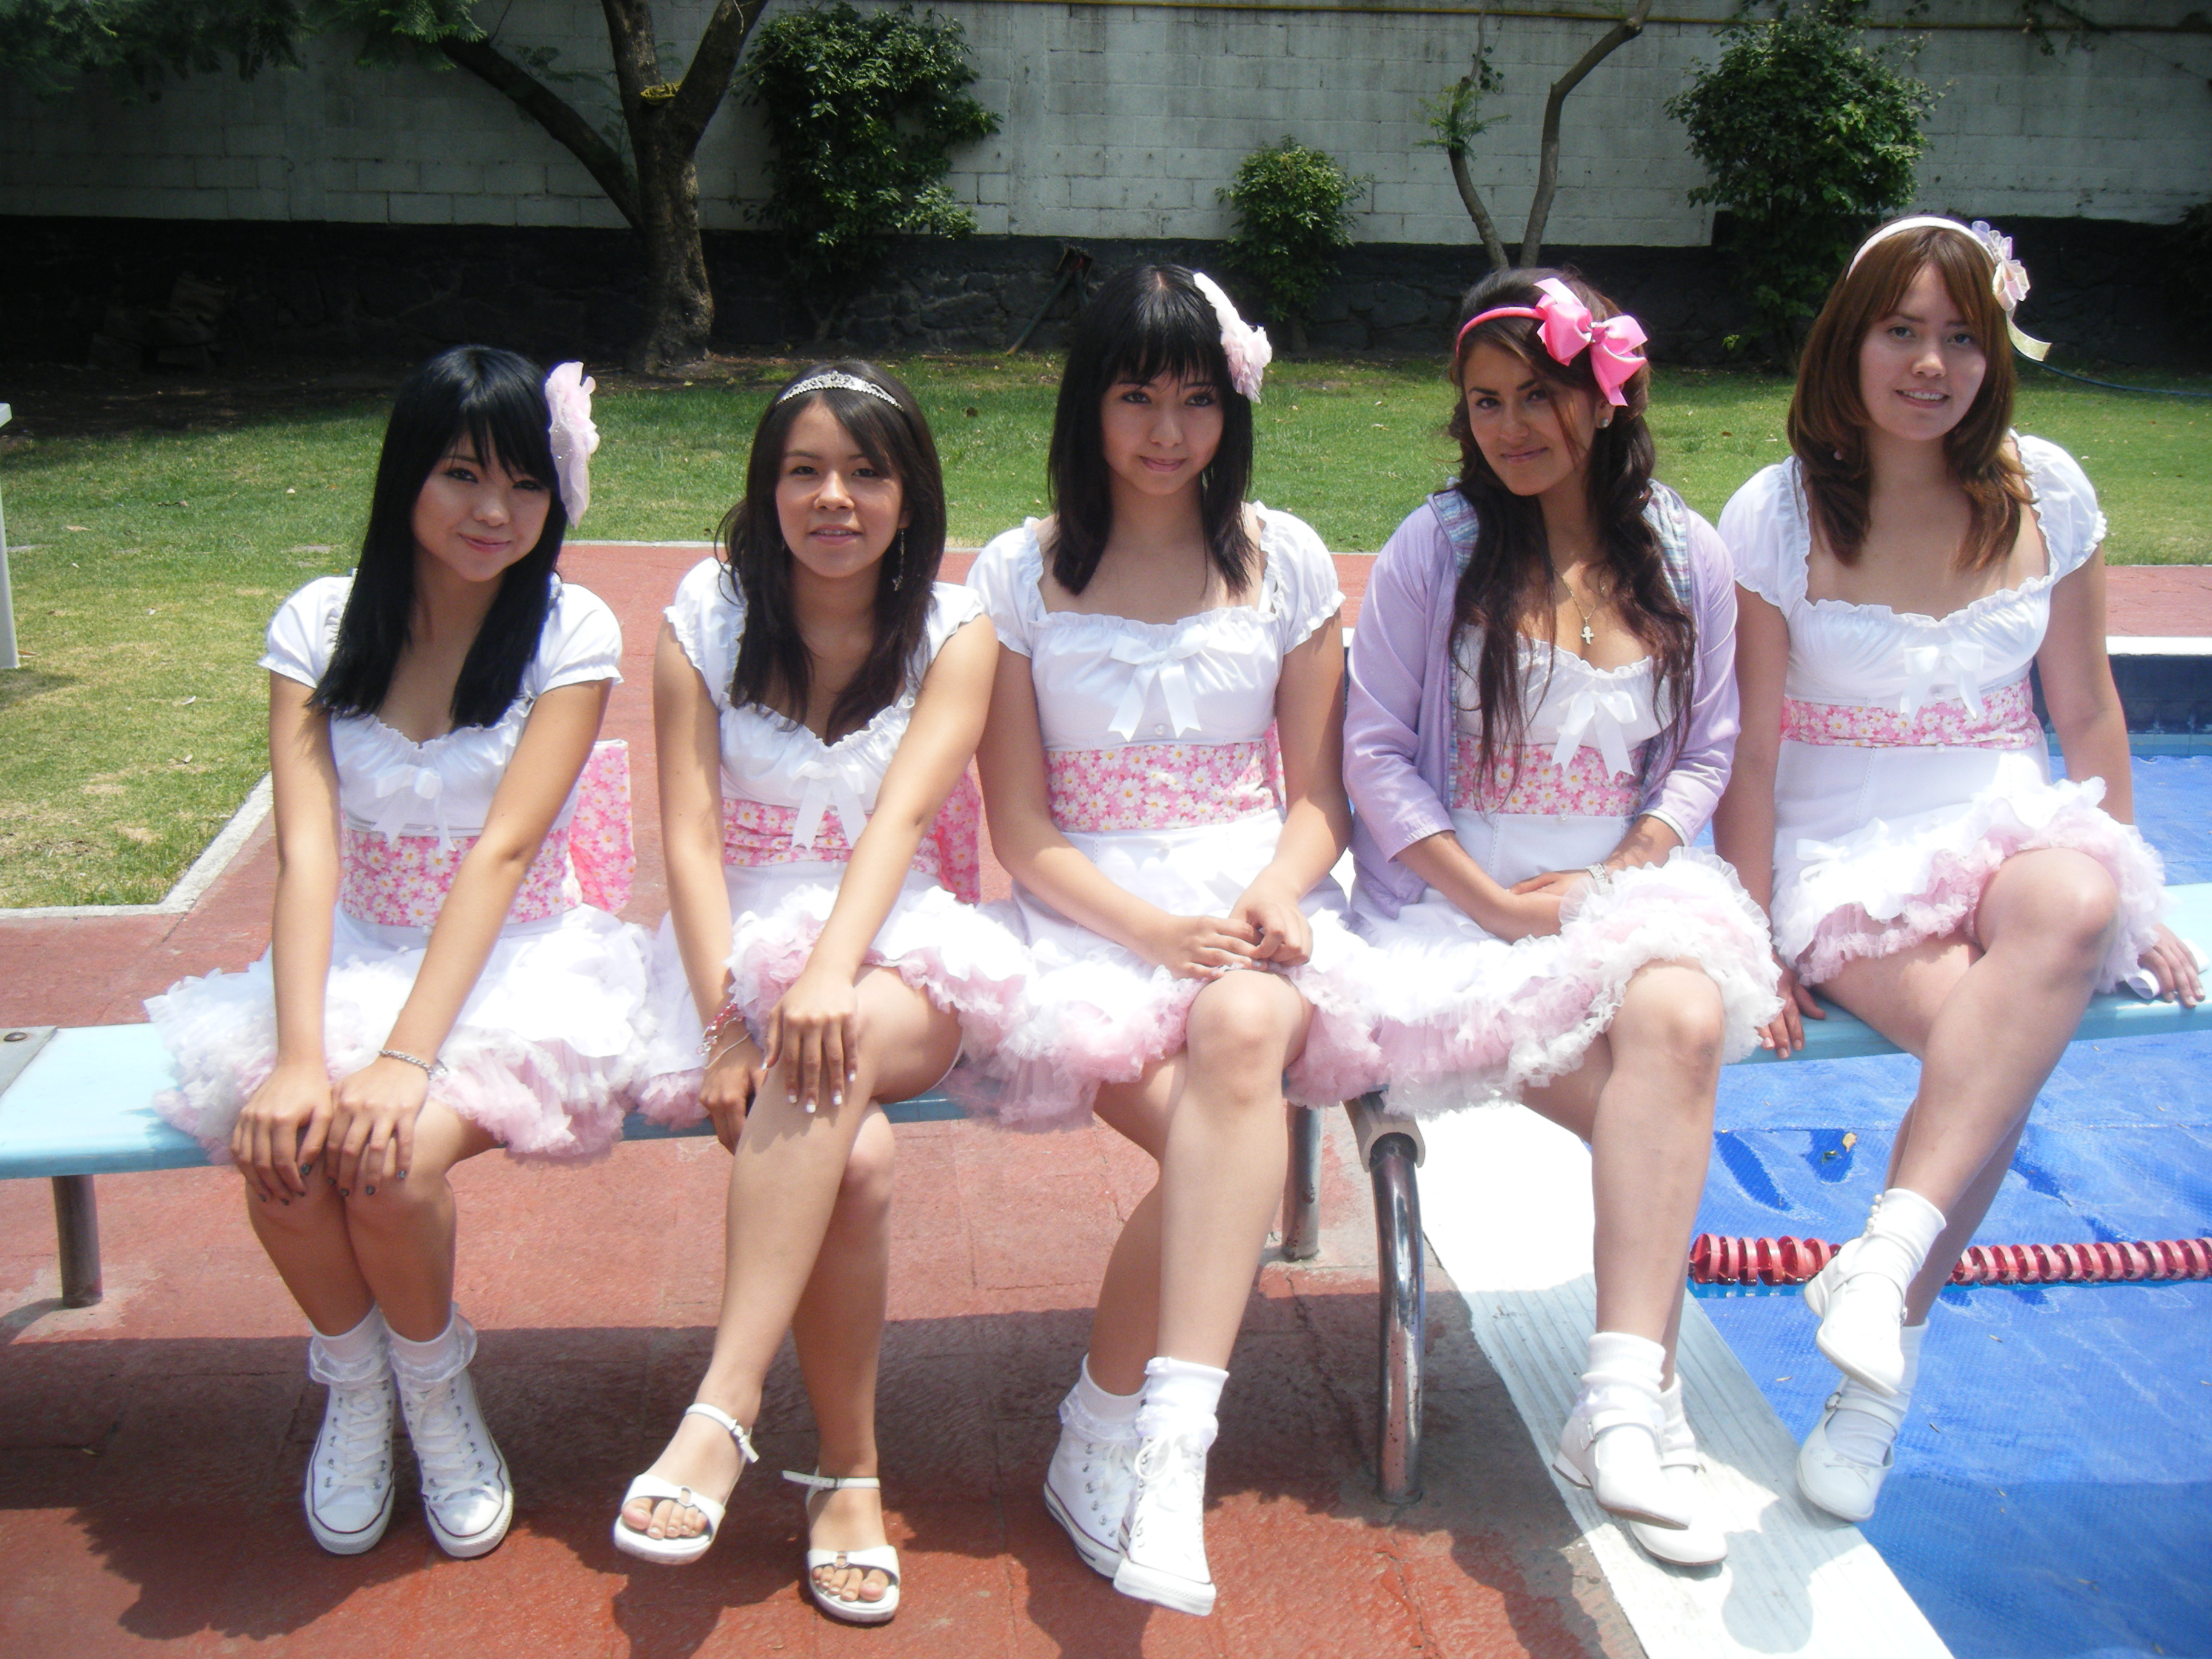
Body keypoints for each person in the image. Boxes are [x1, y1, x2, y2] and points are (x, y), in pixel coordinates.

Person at [1712, 216, 2200, 1524]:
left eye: (1963, 338)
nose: (1933, 365)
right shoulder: (1777, 512)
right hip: (1841, 846)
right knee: (1992, 1055)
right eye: (1903, 332)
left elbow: (2087, 712)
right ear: (1849, 342)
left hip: (2006, 819)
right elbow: (1751, 753)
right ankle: (1877, 1387)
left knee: (2078, 900)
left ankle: (1879, 1264)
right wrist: (1750, 938)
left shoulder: (2049, 489)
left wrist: (2136, 887)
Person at [149, 347, 646, 1560]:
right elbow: (307, 851)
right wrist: (300, 1055)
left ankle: (435, 1389)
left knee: (389, 1163)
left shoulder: (569, 629)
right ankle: (359, 1383)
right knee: (285, 1146)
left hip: (516, 965)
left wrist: (406, 1060)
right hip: (351, 956)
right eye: (462, 475)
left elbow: (503, 854)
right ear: (405, 476)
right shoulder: (320, 625)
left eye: (525, 484)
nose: (495, 512)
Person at [1333, 270, 1778, 1567]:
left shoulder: (1687, 554)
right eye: (1485, 402)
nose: (1511, 427)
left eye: (1539, 395)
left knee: (1680, 1015)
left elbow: (1707, 750)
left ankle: (1618, 1401)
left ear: (1605, 394)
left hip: (1614, 897)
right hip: (1451, 915)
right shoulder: (1436, 549)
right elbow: (1374, 750)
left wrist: (1624, 868)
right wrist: (1487, 899)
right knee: (1660, 1107)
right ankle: (1640, 1397)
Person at [956, 264, 1362, 1616]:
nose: (1168, 431)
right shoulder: (1020, 571)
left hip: (1252, 901)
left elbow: (1319, 795)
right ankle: (1108, 1427)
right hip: (1090, 919)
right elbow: (1022, 828)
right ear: (1090, 404)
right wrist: (1150, 930)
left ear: (1231, 408)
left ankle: (1144, 1439)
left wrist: (1280, 889)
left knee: (1241, 1053)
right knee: (1222, 1165)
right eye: (1137, 396)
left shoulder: (1285, 556)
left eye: (1197, 398)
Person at [617, 363, 1022, 1625]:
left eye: (865, 472)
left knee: (829, 1041)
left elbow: (900, 823)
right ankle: (848, 1477)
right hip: (732, 949)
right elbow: (690, 835)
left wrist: (829, 975)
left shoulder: (957, 631)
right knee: (858, 1160)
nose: (833, 498)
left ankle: (724, 1407)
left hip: (900, 943)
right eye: (804, 471)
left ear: (911, 495)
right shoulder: (706, 616)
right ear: (766, 487)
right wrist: (727, 1023)